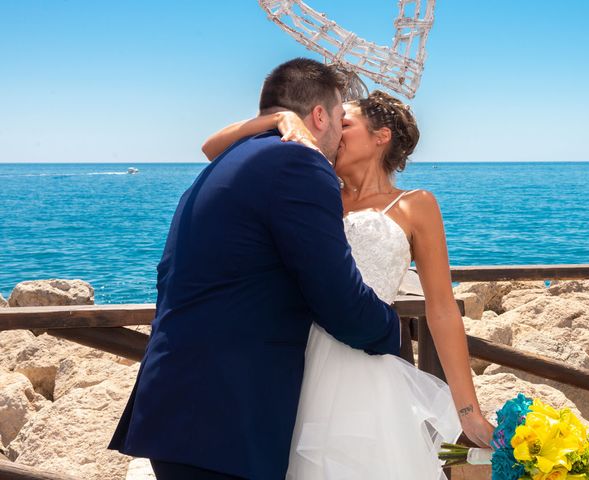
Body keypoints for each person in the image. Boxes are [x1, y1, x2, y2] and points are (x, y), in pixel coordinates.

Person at [108, 58, 402, 480]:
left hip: (183, 406)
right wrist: (392, 336)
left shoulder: (229, 161)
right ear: (319, 116)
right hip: (226, 417)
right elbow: (336, 295)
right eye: (340, 116)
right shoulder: (300, 164)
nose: (340, 132)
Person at [202, 89, 495, 479]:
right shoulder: (313, 190)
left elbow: (440, 308)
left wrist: (468, 411)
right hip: (292, 362)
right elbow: (212, 148)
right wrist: (278, 121)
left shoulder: (415, 204)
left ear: (381, 136)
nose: (331, 132)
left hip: (366, 375)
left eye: (345, 124)